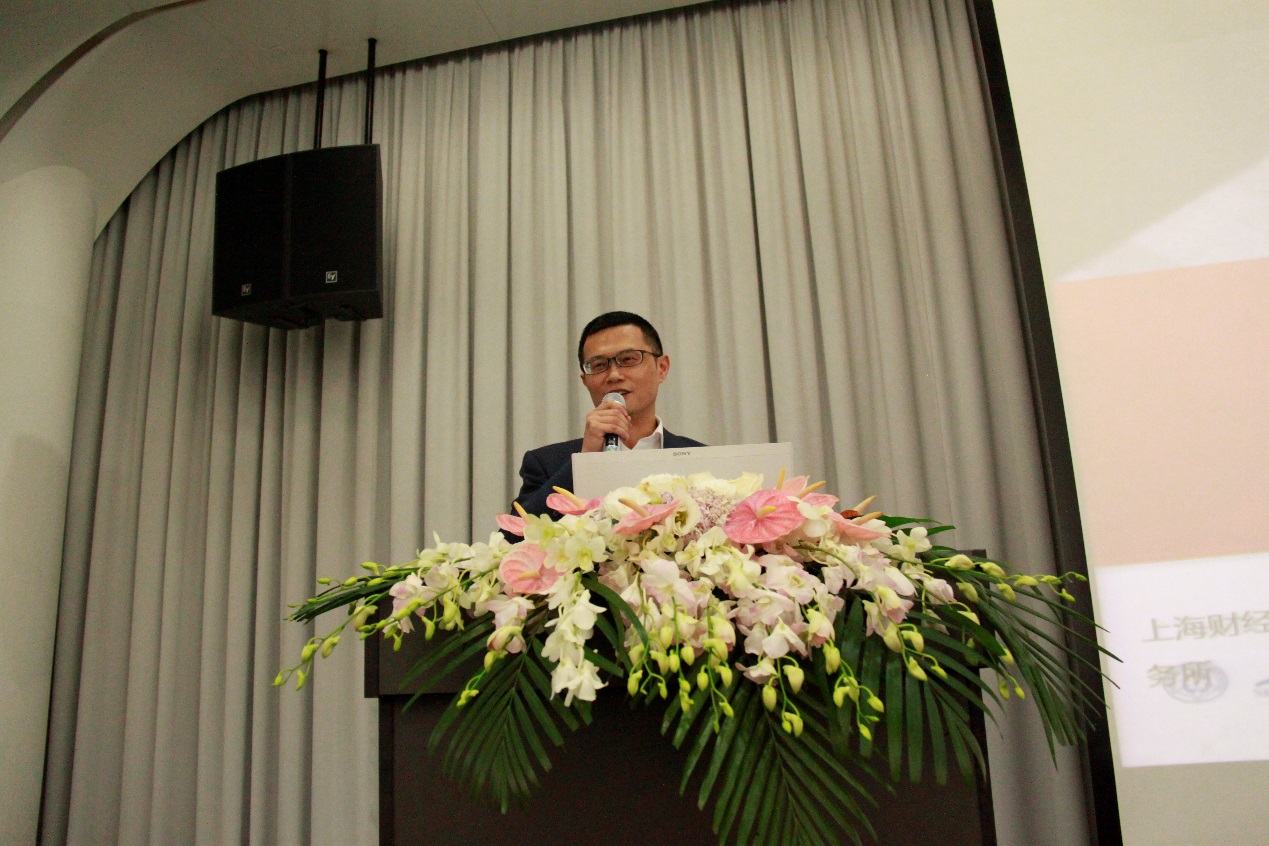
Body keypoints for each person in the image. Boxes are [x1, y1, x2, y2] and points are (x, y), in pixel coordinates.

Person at [512, 311, 705, 518]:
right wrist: (585, 461)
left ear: (662, 368)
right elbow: (513, 534)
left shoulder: (703, 461)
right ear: (585, 381)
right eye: (599, 365)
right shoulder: (546, 464)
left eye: (628, 359)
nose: (614, 375)